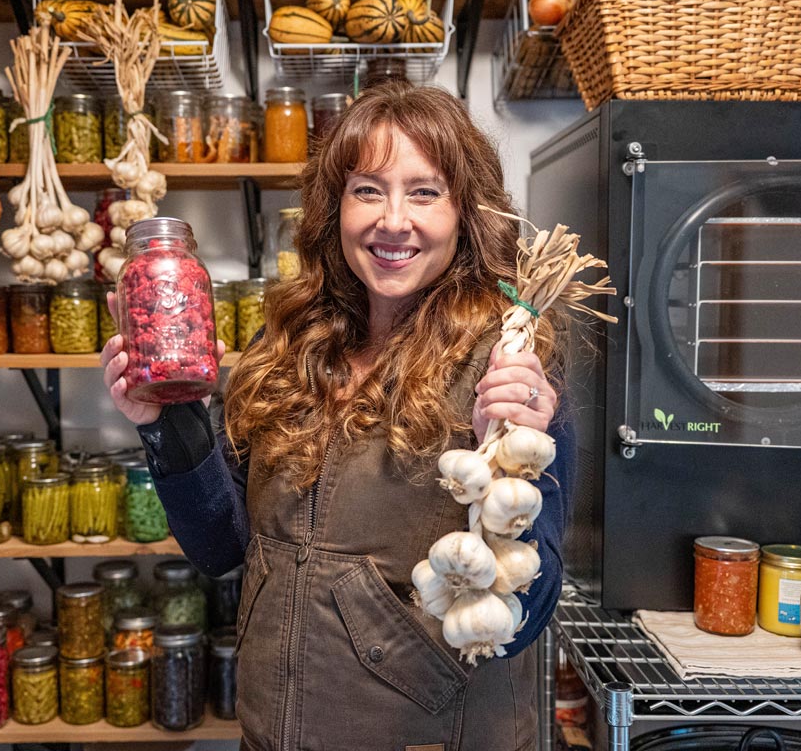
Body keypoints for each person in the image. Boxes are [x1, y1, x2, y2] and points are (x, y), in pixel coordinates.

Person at [102, 80, 572, 751]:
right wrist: (163, 422)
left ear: (466, 213)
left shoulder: (505, 358)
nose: (393, 219)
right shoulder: (289, 345)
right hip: (276, 728)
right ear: (335, 209)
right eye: (368, 190)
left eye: (424, 191)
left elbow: (528, 608)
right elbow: (222, 549)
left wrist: (522, 450)